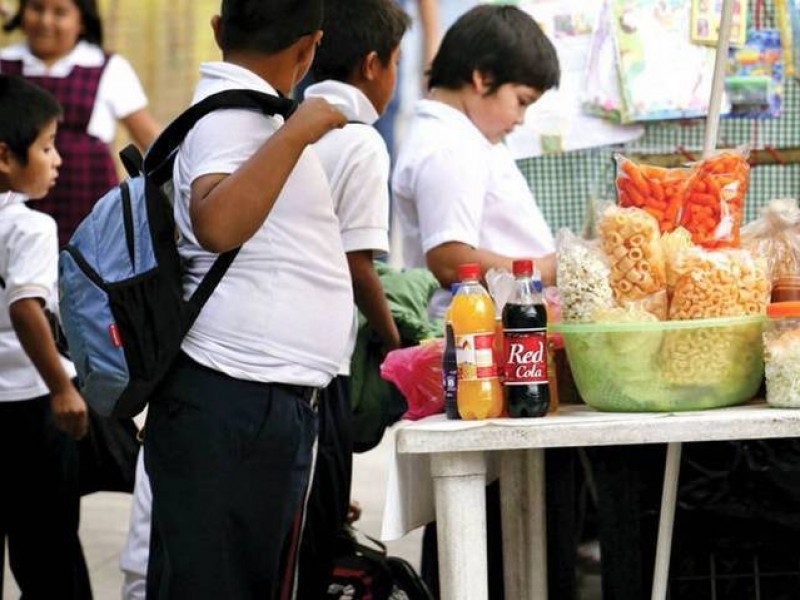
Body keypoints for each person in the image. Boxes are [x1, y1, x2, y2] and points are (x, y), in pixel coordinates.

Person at [142, 1, 354, 599]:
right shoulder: (230, 119)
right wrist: (297, 131)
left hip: (252, 403)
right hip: (230, 398)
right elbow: (216, 223)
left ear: (218, 29)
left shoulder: (250, 118)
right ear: (308, 49)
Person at [393, 6, 577, 598]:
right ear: (480, 78)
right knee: (486, 538)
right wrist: (549, 267)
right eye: (521, 100)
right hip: (487, 357)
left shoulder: (464, 136)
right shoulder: (449, 145)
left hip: (507, 348)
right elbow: (451, 259)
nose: (521, 118)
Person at [297, 0, 410, 595]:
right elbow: (359, 263)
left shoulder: (290, 120)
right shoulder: (361, 142)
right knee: (318, 537)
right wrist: (394, 342)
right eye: (396, 62)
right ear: (372, 65)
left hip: (284, 358)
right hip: (325, 359)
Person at [0, 73, 91, 598]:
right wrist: (61, 386)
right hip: (32, 408)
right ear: (6, 158)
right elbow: (25, 306)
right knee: (47, 550)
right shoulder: (29, 227)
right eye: (47, 147)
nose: (57, 160)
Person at [1, 0, 159, 246]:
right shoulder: (4, 65)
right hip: (13, 210)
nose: (45, 21)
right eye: (37, 8)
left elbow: (152, 141)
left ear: (82, 21)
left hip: (91, 208)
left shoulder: (107, 67)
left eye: (59, 13)